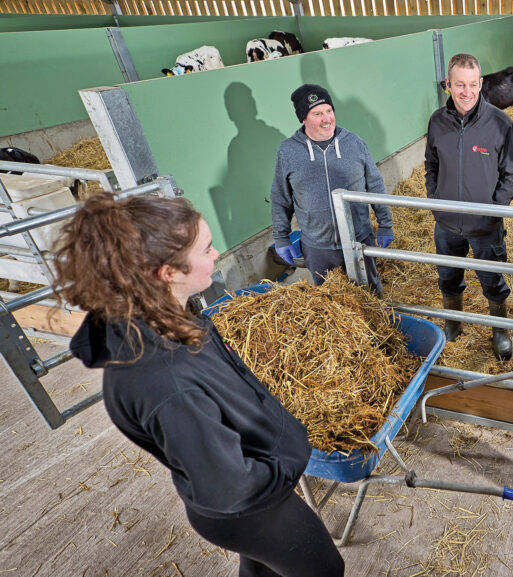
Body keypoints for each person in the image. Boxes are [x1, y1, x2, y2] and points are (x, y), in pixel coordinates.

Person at [55, 193, 346, 577]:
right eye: (206, 248)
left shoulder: (162, 313)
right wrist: (284, 465)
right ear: (167, 272)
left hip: (247, 485)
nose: (217, 252)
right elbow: (228, 485)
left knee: (263, 572)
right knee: (325, 569)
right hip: (249, 507)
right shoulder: (163, 383)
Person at [425, 53, 513, 359]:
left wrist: (495, 208)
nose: (466, 91)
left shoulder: (500, 123)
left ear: (481, 84)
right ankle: (453, 325)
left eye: (472, 84)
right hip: (447, 223)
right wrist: (436, 199)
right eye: (459, 85)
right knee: (448, 277)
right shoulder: (437, 122)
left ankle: (499, 330)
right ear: (448, 85)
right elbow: (431, 165)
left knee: (492, 279)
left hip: (485, 225)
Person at [271, 83, 393, 295]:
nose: (326, 118)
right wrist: (281, 237)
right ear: (303, 118)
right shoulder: (288, 151)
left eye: (329, 111)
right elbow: (281, 198)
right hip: (318, 247)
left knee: (371, 295)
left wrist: (385, 223)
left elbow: (375, 185)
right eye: (317, 113)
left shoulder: (354, 143)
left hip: (359, 240)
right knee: (330, 303)